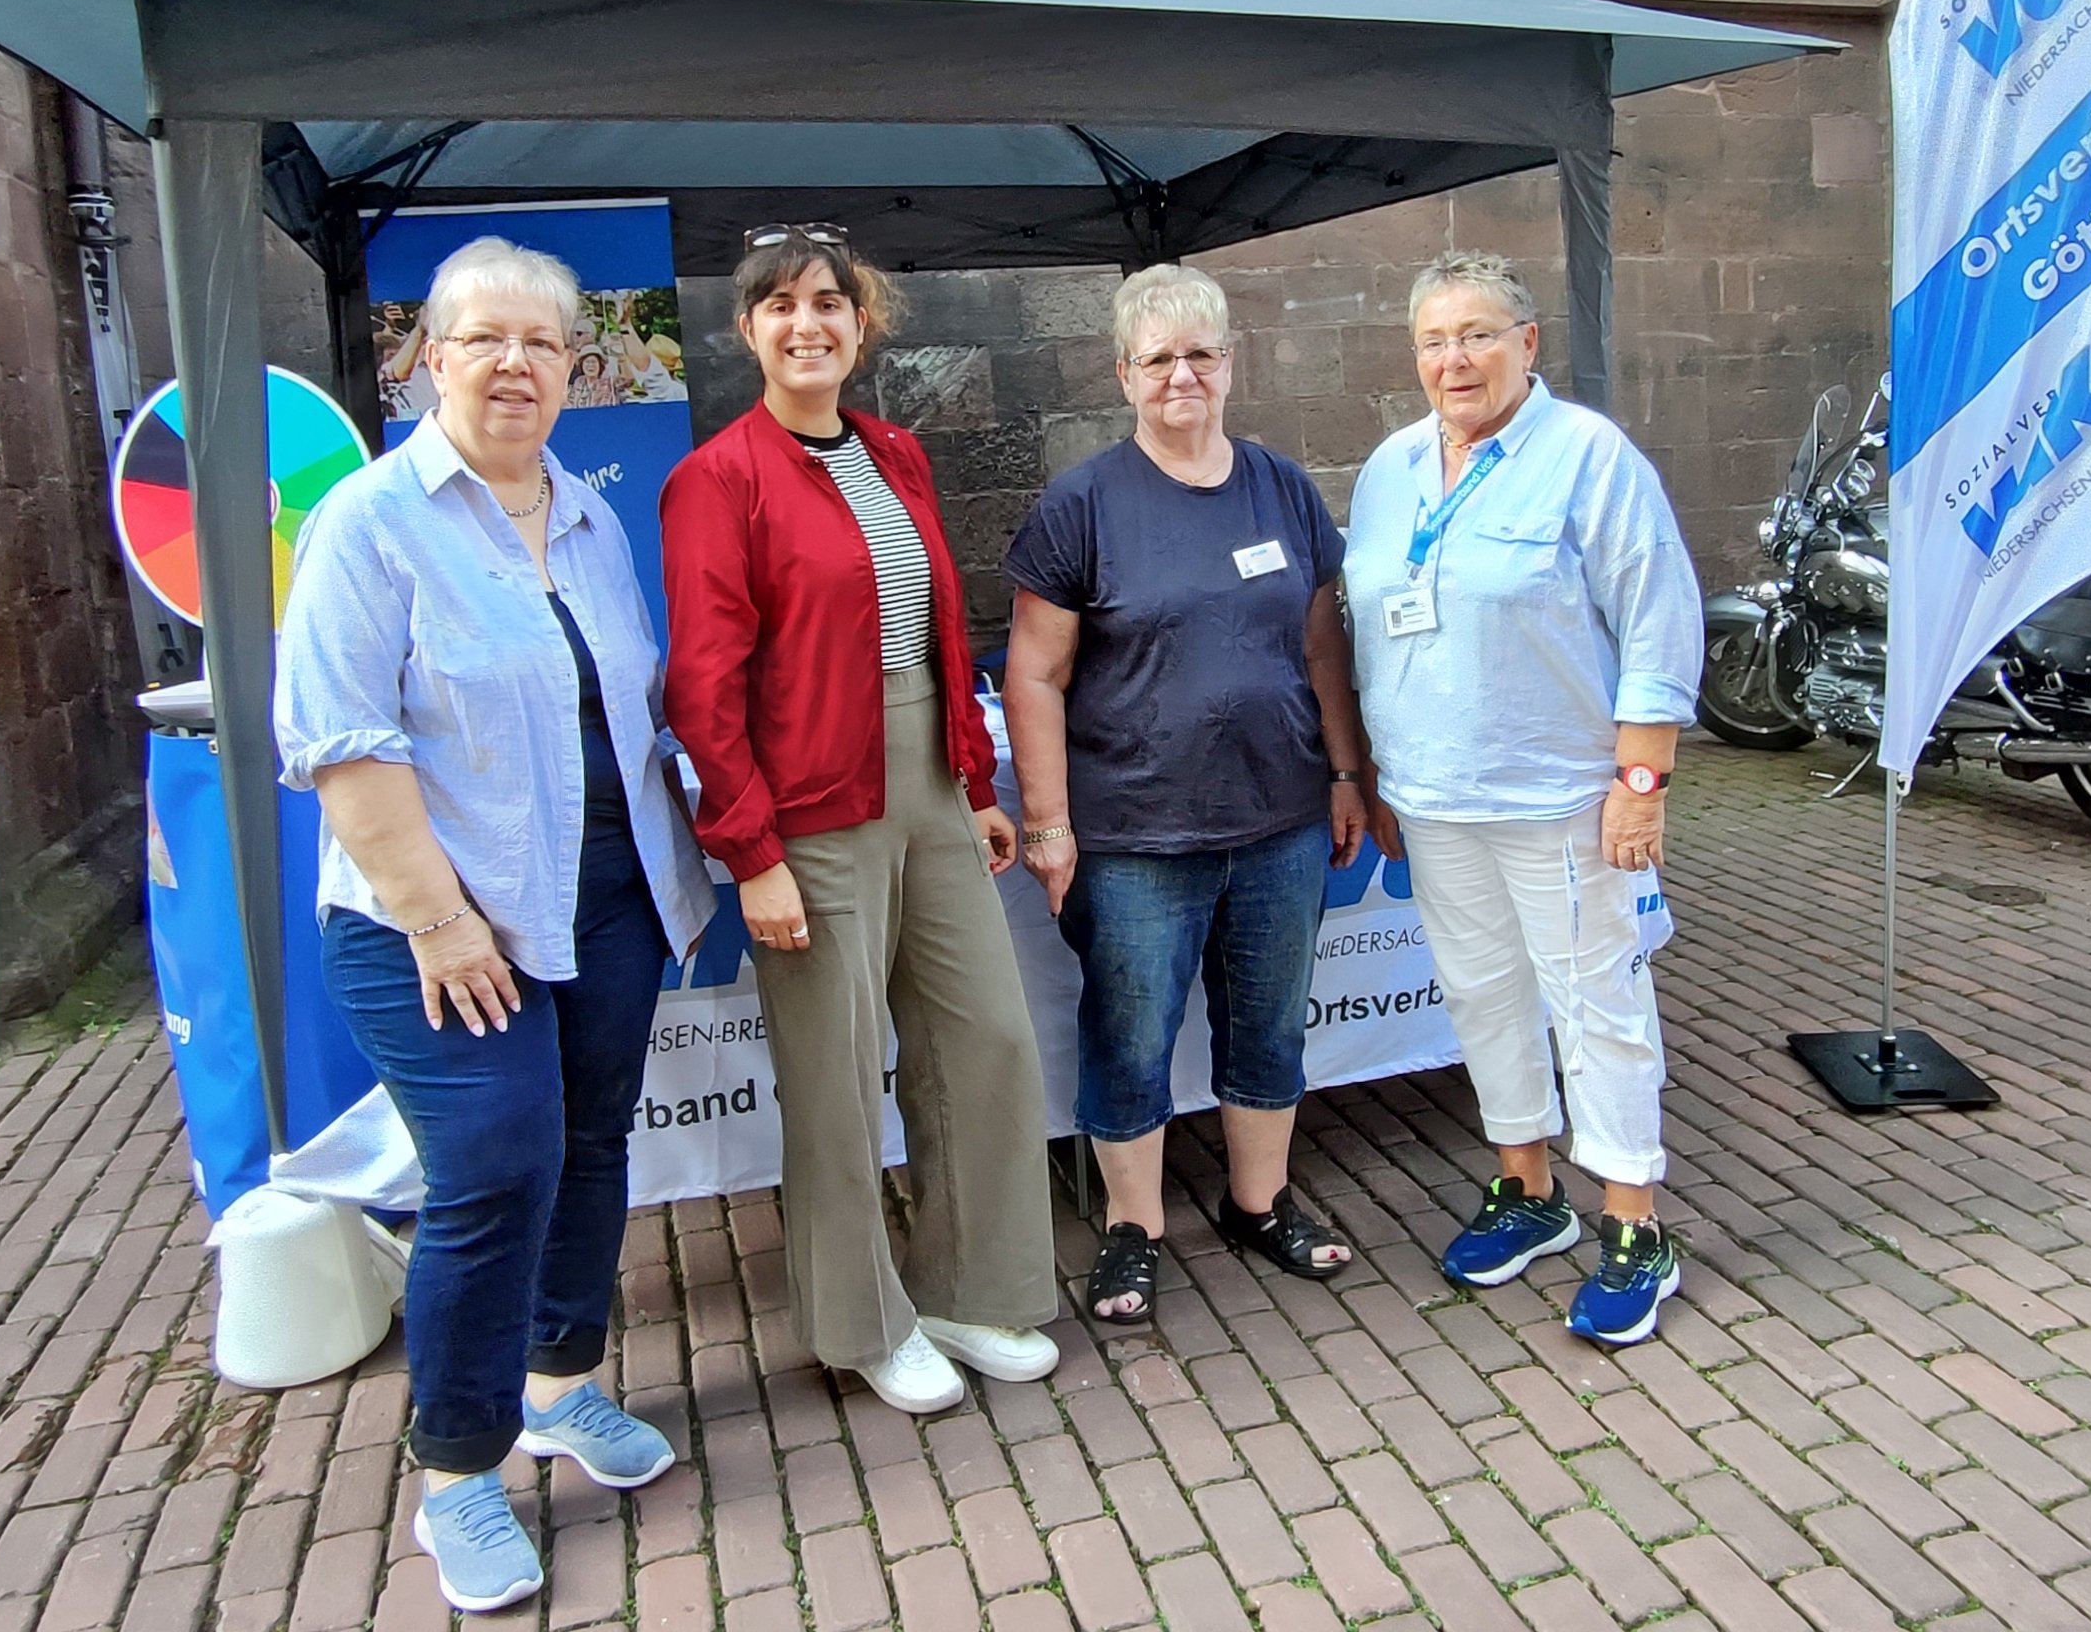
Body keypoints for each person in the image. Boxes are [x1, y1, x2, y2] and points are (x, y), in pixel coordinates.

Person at [277, 236, 716, 1612]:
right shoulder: (369, 521)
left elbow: (626, 716)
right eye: (486, 339)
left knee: (590, 1150)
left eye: (545, 343)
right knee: (492, 1169)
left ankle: (562, 1386)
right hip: (437, 925)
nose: (518, 363)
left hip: (609, 896)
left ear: (576, 371)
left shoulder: (587, 523)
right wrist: (441, 920)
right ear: (429, 360)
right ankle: (458, 1474)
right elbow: (344, 745)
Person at [660, 222, 1060, 1413]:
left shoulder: (895, 453)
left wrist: (974, 785)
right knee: (834, 1080)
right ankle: (864, 1321)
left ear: (860, 322)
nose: (807, 324)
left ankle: (966, 1286)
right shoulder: (715, 479)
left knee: (983, 1040)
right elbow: (703, 686)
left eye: (828, 303)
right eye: (780, 306)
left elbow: (940, 635)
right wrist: (753, 854)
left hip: (928, 786)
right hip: (808, 809)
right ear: (749, 332)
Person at [1343, 250, 1702, 1347]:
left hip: (1561, 797)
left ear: (1528, 342)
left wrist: (1641, 781)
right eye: (1435, 341)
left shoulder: (1590, 457)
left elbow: (1657, 616)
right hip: (1436, 798)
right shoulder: (1392, 467)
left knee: (1596, 1005)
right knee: (1484, 997)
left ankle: (1635, 1223)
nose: (1457, 359)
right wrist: (1373, 772)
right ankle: (1528, 1190)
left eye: (1480, 334)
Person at [1001, 263, 1364, 1326]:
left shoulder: (1282, 487)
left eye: (1201, 354)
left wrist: (1346, 771)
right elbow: (1034, 673)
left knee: (1267, 1027)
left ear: (1230, 364)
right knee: (1131, 1034)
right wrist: (1049, 821)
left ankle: (1259, 1201)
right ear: (1124, 374)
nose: (1182, 376)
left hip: (1281, 821)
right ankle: (1134, 1228)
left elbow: (1321, 644)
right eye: (1158, 358)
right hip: (1135, 836)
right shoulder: (1081, 506)